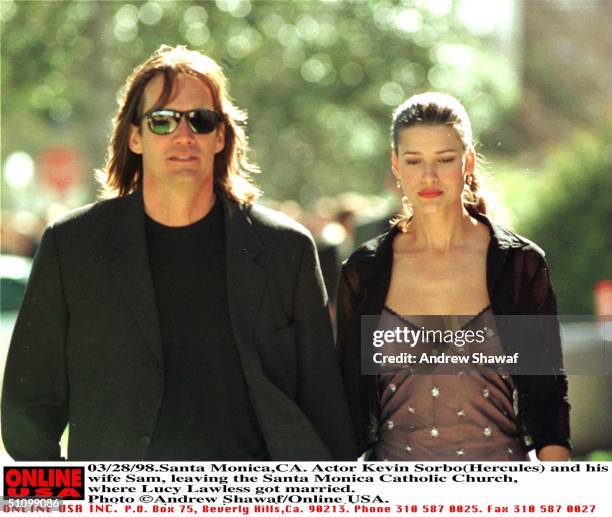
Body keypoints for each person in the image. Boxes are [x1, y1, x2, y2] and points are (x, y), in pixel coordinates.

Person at [2, 45, 355, 461]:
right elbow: (28, 410)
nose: (183, 135)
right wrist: (66, 505)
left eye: (201, 121)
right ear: (135, 136)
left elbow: (325, 410)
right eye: (163, 120)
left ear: (221, 136)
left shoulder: (286, 250)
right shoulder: (73, 246)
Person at [337, 92, 571, 461]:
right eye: (414, 161)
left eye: (445, 159)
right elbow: (346, 405)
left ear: (469, 162)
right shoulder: (363, 272)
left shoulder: (519, 264)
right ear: (396, 166)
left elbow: (548, 401)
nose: (429, 176)